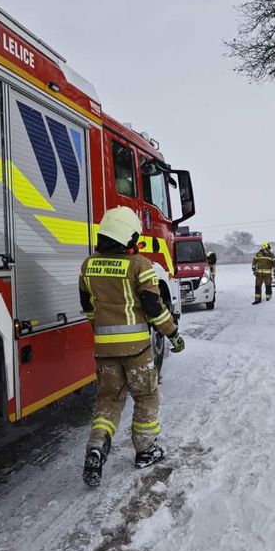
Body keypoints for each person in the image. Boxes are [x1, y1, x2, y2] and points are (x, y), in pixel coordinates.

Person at [79, 206, 185, 487]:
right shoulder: (139, 264)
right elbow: (154, 309)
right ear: (127, 235)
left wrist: (100, 329)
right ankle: (145, 450)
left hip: (104, 349)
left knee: (108, 399)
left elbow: (87, 307)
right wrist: (173, 334)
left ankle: (96, 445)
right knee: (146, 396)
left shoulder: (89, 265)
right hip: (137, 349)